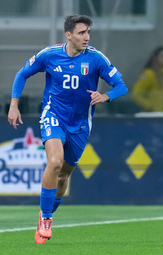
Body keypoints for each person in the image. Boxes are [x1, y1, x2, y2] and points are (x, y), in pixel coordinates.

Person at [7, 14, 128, 244]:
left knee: (63, 176)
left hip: (81, 124)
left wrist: (105, 96)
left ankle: (45, 212)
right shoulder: (50, 55)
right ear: (69, 35)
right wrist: (14, 105)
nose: (87, 37)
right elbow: (22, 73)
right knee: (54, 162)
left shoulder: (96, 59)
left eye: (88, 33)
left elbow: (121, 86)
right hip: (53, 115)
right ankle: (47, 218)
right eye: (82, 33)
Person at [132, 46, 163, 112]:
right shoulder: (149, 74)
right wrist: (149, 106)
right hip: (153, 114)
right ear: (156, 58)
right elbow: (136, 94)